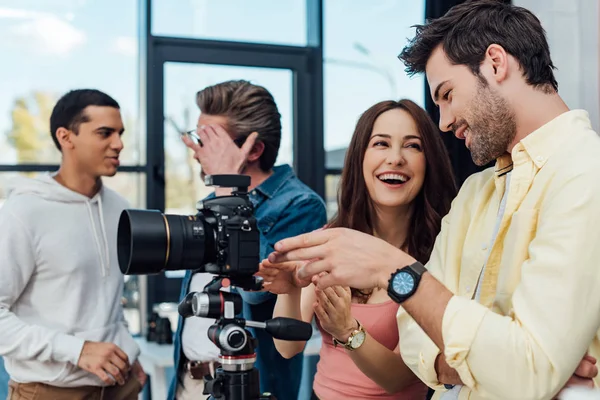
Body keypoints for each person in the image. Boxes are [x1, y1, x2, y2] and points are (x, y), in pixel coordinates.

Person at [266, 1, 600, 399]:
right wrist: (490, 362)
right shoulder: (477, 192)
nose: (444, 122)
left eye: (446, 94)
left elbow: (526, 370)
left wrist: (395, 270)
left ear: (495, 63)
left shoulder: (585, 172)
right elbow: (414, 345)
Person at [258, 99, 457, 399]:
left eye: (412, 146)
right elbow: (288, 348)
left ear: (429, 161)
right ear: (360, 158)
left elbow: (399, 378)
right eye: (381, 143)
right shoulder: (331, 240)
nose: (395, 158)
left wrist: (347, 330)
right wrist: (290, 290)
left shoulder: (443, 250)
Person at [168, 80, 327, 400]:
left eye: (207, 140)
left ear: (253, 149)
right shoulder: (216, 198)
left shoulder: (300, 205)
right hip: (190, 383)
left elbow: (255, 289)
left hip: (249, 388)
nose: (195, 149)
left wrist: (228, 189)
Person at [0, 89, 147, 399]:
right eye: (105, 133)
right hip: (50, 391)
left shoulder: (120, 208)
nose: (119, 144)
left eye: (120, 133)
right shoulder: (24, 210)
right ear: (66, 137)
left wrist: (127, 351)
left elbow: (106, 300)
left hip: (121, 386)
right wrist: (77, 350)